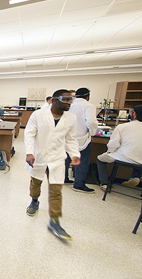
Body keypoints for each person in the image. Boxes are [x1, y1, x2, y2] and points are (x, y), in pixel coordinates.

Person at [24, 89, 80, 240]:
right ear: (55, 100)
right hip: (39, 156)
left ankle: (54, 221)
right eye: (66, 99)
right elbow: (29, 133)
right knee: (36, 182)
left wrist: (75, 154)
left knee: (56, 189)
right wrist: (29, 152)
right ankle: (34, 201)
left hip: (57, 158)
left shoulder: (71, 118)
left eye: (71, 100)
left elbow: (71, 139)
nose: (70, 103)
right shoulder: (38, 115)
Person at [97, 105, 142, 189]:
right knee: (139, 157)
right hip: (140, 161)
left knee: (100, 159)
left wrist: (110, 152)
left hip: (123, 157)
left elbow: (113, 145)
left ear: (134, 114)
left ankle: (105, 183)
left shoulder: (123, 127)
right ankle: (136, 177)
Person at [65, 88, 98, 193]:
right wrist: (92, 133)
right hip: (81, 137)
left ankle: (63, 178)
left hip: (67, 136)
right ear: (88, 96)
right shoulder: (89, 106)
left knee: (66, 158)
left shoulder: (69, 105)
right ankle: (78, 184)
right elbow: (92, 122)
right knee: (83, 160)